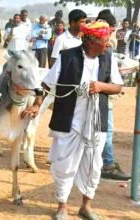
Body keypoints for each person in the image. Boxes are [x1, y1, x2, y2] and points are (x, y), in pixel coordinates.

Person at [43, 21, 123, 220]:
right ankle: (62, 206)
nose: (108, 44)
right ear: (92, 41)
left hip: (96, 122)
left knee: (93, 165)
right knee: (65, 164)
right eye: (105, 40)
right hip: (68, 121)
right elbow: (47, 83)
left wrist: (101, 86)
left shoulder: (108, 58)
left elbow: (117, 87)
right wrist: (37, 105)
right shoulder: (67, 57)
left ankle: (86, 206)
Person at [96, 9, 132, 182]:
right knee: (106, 130)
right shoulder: (104, 46)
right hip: (101, 94)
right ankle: (108, 164)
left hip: (101, 92)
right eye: (110, 27)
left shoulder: (95, 44)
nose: (112, 30)